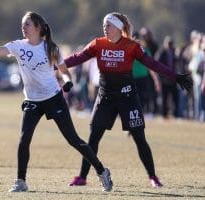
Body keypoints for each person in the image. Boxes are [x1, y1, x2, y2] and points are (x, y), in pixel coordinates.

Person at [0, 11, 113, 192]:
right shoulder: (17, 46)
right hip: (32, 100)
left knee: (73, 140)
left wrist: (67, 81)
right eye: (22, 25)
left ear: (38, 27)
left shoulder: (51, 48)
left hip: (54, 99)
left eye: (27, 24)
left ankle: (102, 171)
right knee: (24, 139)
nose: (23, 28)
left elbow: (63, 70)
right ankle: (21, 181)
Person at [62, 12, 192, 188]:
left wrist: (174, 76)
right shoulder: (98, 44)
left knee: (139, 138)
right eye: (104, 25)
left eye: (108, 25)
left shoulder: (132, 46)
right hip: (105, 98)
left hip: (128, 98)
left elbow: (152, 64)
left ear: (118, 28)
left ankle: (153, 177)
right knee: (93, 138)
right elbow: (77, 57)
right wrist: (56, 64)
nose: (105, 28)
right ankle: (82, 177)